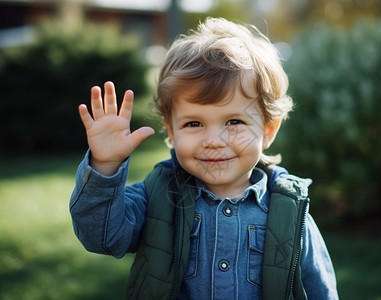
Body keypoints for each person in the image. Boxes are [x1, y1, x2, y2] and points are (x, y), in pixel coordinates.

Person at [70, 17, 338, 299]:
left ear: (268, 130)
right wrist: (105, 165)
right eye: (194, 124)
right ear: (171, 131)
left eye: (234, 121)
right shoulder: (157, 195)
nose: (213, 141)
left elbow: (320, 290)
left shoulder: (290, 211)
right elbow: (100, 236)